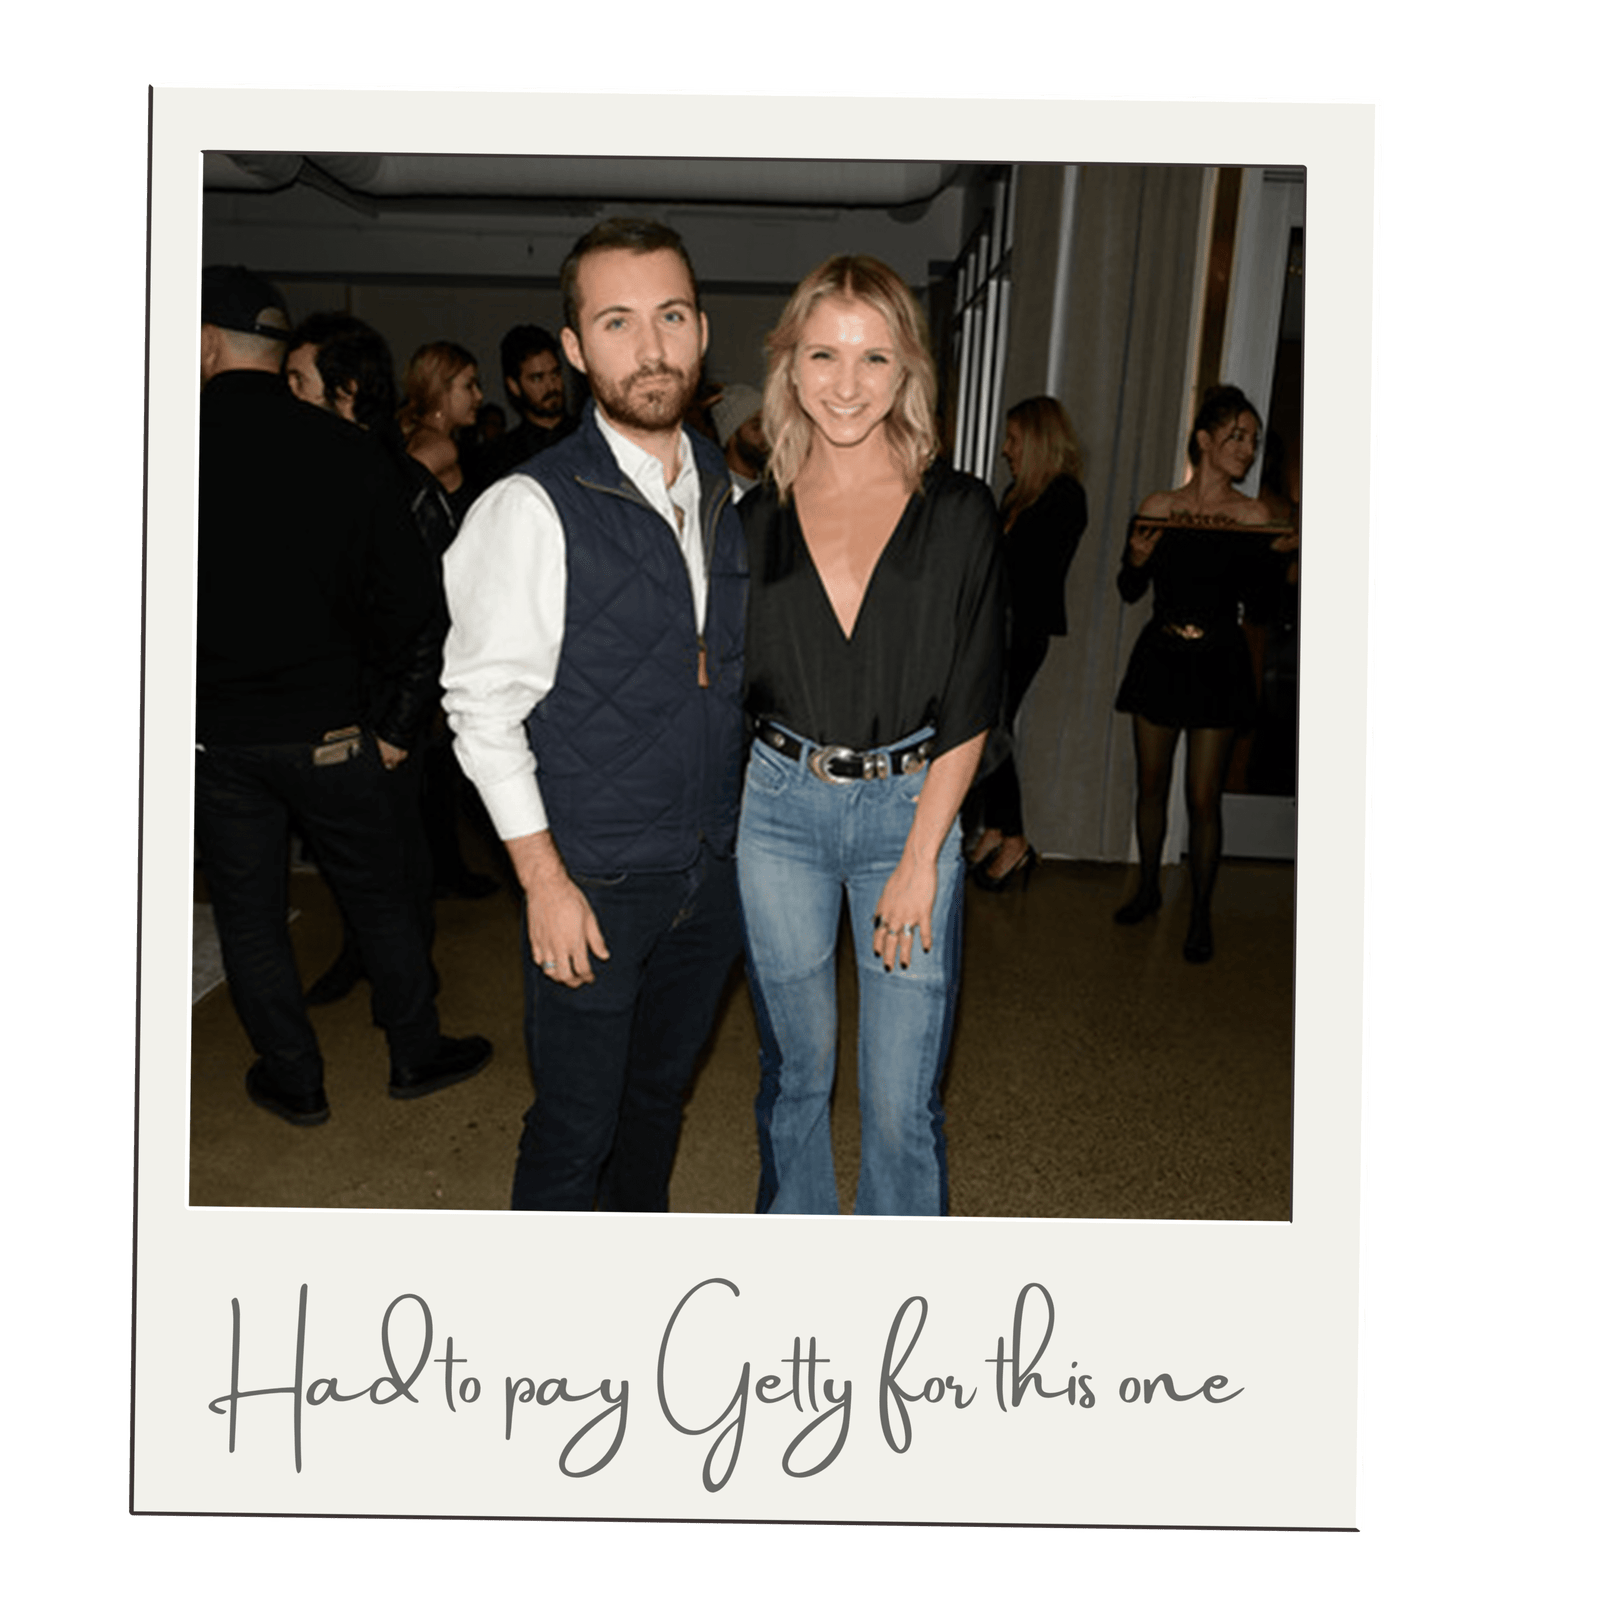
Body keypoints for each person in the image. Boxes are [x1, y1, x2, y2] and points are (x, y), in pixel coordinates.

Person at [441, 219, 746, 1213]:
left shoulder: (732, 494)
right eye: (617, 322)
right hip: (594, 882)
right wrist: (543, 882)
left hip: (713, 874)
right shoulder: (529, 508)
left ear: (702, 330)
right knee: (576, 1126)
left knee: (657, 1102)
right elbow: (482, 710)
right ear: (575, 348)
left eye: (670, 317)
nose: (650, 347)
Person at [738, 254, 1004, 1217]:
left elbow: (974, 692)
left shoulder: (961, 511)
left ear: (907, 371)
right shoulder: (753, 518)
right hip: (776, 814)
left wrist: (922, 856)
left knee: (899, 1102)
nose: (846, 384)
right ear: (790, 364)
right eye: (824, 355)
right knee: (795, 1075)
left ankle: (895, 1290)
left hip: (910, 811)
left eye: (874, 358)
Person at [194, 267, 491, 1126]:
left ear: (206, 345)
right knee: (381, 897)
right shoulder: (350, 452)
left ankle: (296, 1080)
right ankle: (415, 1054)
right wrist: (395, 723)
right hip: (332, 729)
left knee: (249, 916)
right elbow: (415, 610)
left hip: (218, 737)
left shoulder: (161, 446)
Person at [1111, 383, 1295, 963]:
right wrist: (1136, 560)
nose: (1247, 449)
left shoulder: (1254, 515)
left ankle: (1199, 916)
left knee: (1203, 797)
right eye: (1237, 436)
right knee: (1151, 785)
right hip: (1161, 656)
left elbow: (1262, 608)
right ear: (1204, 440)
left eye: (1254, 441)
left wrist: (1285, 561)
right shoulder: (1160, 505)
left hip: (1218, 661)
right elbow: (1129, 588)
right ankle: (1146, 889)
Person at [964, 395, 1088, 891]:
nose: (1005, 449)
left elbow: (1029, 570)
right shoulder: (1017, 494)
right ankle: (998, 827)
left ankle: (1014, 837)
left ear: (1037, 440)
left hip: (1023, 629)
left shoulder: (1064, 497)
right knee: (990, 725)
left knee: (991, 728)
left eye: (1014, 439)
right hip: (996, 626)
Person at [468, 324, 578, 495]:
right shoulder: (500, 458)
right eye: (537, 378)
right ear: (514, 386)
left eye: (555, 373)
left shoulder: (590, 434)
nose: (551, 386)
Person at [399, 341, 483, 522]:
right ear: (441, 391)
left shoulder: (423, 436)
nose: (479, 396)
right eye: (469, 386)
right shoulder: (441, 446)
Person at [710, 381, 768, 499]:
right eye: (756, 426)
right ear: (731, 436)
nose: (767, 435)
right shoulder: (717, 494)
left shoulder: (773, 487)